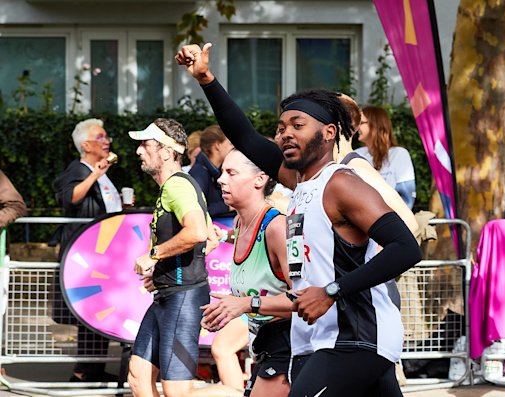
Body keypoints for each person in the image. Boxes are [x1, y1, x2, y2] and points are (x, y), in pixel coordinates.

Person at [176, 43, 422, 397]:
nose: (285, 133)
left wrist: (332, 291)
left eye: (298, 125)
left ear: (329, 132)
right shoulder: (299, 182)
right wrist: (205, 79)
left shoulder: (342, 183)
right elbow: (244, 135)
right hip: (320, 337)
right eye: (280, 127)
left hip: (356, 336)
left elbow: (405, 247)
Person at [127, 119, 238, 397]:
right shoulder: (177, 186)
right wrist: (165, 267)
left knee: (177, 392)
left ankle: (244, 394)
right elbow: (211, 238)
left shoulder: (178, 186)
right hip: (169, 294)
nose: (139, 151)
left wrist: (155, 255)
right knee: (138, 376)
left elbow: (199, 232)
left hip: (184, 297)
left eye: (145, 145)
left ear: (166, 151)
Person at [202, 148, 291, 397]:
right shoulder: (240, 223)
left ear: (259, 179)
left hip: (289, 346)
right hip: (262, 347)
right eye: (222, 172)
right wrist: (227, 309)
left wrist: (246, 304)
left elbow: (306, 300)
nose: (221, 179)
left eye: (231, 173)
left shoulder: (277, 228)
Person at [53, 118, 122, 382]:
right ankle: (83, 372)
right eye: (101, 137)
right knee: (90, 312)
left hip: (103, 251)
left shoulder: (99, 171)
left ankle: (94, 368)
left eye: (107, 137)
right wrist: (96, 173)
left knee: (99, 310)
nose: (107, 142)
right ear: (85, 144)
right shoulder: (79, 169)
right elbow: (70, 198)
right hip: (87, 252)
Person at [355, 106, 417, 209]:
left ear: (375, 125)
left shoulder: (399, 154)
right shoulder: (356, 155)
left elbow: (406, 199)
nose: (357, 127)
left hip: (391, 220)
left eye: (361, 123)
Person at [189, 125, 235, 216]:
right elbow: (195, 212)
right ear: (217, 145)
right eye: (230, 143)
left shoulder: (214, 171)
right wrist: (227, 207)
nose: (234, 147)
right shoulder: (199, 173)